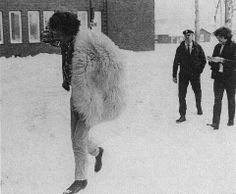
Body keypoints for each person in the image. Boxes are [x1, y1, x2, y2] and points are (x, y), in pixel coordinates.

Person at [42, 12, 125, 194]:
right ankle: (97, 152)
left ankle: (80, 180)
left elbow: (113, 63)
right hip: (75, 95)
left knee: (78, 140)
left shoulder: (88, 45)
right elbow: (61, 44)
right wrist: (50, 40)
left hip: (90, 99)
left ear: (66, 31)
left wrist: (98, 87)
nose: (55, 36)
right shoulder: (67, 41)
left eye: (56, 32)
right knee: (76, 138)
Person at [172, 29, 206, 123]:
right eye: (186, 36)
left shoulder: (198, 47)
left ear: (192, 36)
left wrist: (199, 71)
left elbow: (203, 60)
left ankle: (199, 107)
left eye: (189, 35)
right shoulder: (180, 48)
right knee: (181, 95)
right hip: (183, 75)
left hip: (195, 75)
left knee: (197, 92)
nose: (187, 37)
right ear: (184, 37)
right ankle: (182, 115)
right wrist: (174, 75)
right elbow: (176, 62)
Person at [207, 26, 236, 130]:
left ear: (225, 36)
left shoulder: (234, 46)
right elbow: (214, 61)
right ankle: (215, 123)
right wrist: (211, 61)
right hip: (218, 78)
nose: (218, 39)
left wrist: (222, 60)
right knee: (217, 100)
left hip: (230, 78)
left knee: (231, 100)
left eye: (219, 37)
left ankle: (231, 120)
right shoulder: (217, 47)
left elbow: (234, 63)